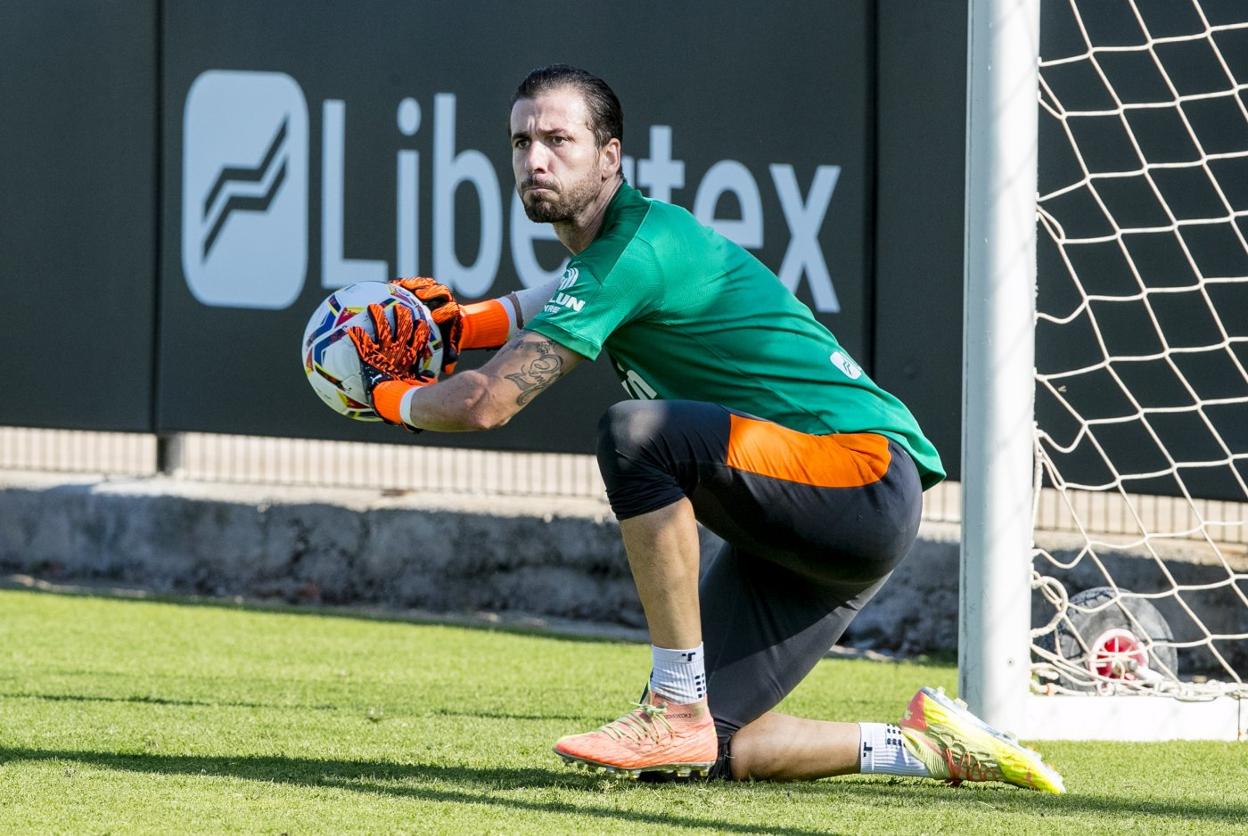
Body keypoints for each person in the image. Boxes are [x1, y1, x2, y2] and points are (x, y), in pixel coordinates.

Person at [346, 64, 1064, 793]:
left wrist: (386, 396)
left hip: (857, 476)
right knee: (703, 755)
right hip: (817, 510)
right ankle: (925, 748)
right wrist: (455, 324)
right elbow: (537, 304)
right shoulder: (610, 257)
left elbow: (484, 403)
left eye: (558, 139)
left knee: (639, 436)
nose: (535, 158)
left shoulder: (634, 251)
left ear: (611, 156)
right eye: (521, 140)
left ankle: (676, 702)